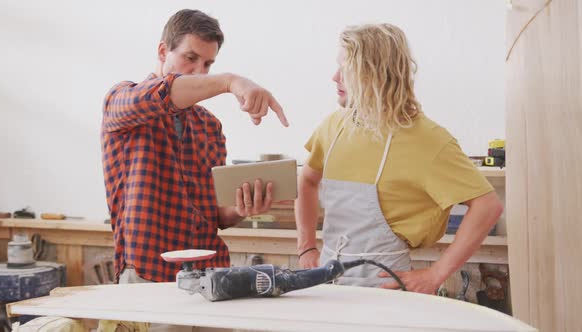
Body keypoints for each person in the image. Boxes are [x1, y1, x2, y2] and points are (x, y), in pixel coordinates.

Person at [295, 23, 503, 294]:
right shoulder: (334, 127)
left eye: (345, 69)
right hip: (325, 281)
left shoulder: (427, 139)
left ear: (374, 73)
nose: (335, 77)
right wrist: (307, 247)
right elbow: (307, 181)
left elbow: (487, 206)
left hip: (384, 287)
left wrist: (435, 275)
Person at [101, 9, 289, 284]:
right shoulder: (122, 101)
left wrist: (243, 207)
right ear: (163, 51)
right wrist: (230, 81)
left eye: (208, 64)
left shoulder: (209, 126)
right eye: (191, 58)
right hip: (149, 274)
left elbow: (217, 215)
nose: (199, 71)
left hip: (210, 273)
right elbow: (163, 93)